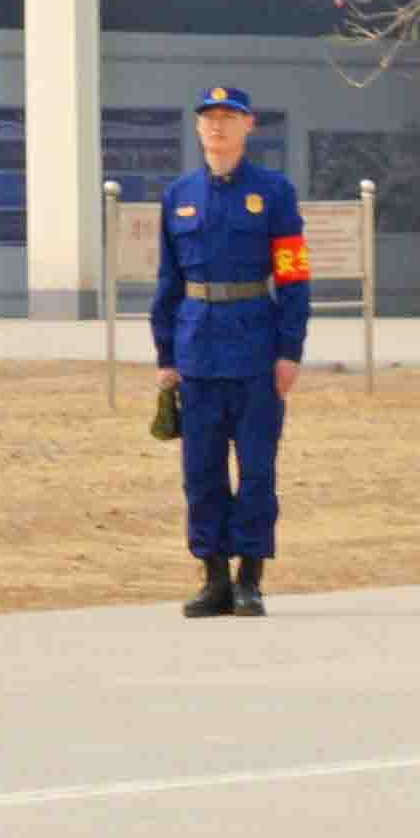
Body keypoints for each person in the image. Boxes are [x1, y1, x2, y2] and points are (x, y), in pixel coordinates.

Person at [148, 83, 309, 617]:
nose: (217, 126)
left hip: (257, 350)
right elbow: (168, 282)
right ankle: (213, 576)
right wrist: (166, 357)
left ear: (249, 126)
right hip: (197, 351)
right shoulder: (179, 196)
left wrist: (290, 350)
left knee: (257, 469)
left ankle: (250, 579)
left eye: (228, 117)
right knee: (201, 472)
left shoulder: (275, 193)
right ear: (197, 128)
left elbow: (292, 275)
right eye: (208, 118)